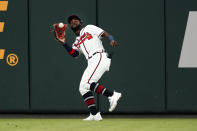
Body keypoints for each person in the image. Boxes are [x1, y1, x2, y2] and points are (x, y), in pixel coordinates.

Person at [54, 15, 122, 121]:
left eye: (76, 20)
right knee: (83, 87)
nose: (73, 22)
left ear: (81, 22)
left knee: (88, 83)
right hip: (91, 61)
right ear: (70, 27)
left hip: (99, 56)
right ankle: (95, 114)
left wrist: (111, 39)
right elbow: (74, 54)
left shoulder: (89, 28)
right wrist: (64, 43)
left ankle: (112, 95)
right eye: (71, 22)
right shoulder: (76, 41)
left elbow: (105, 33)